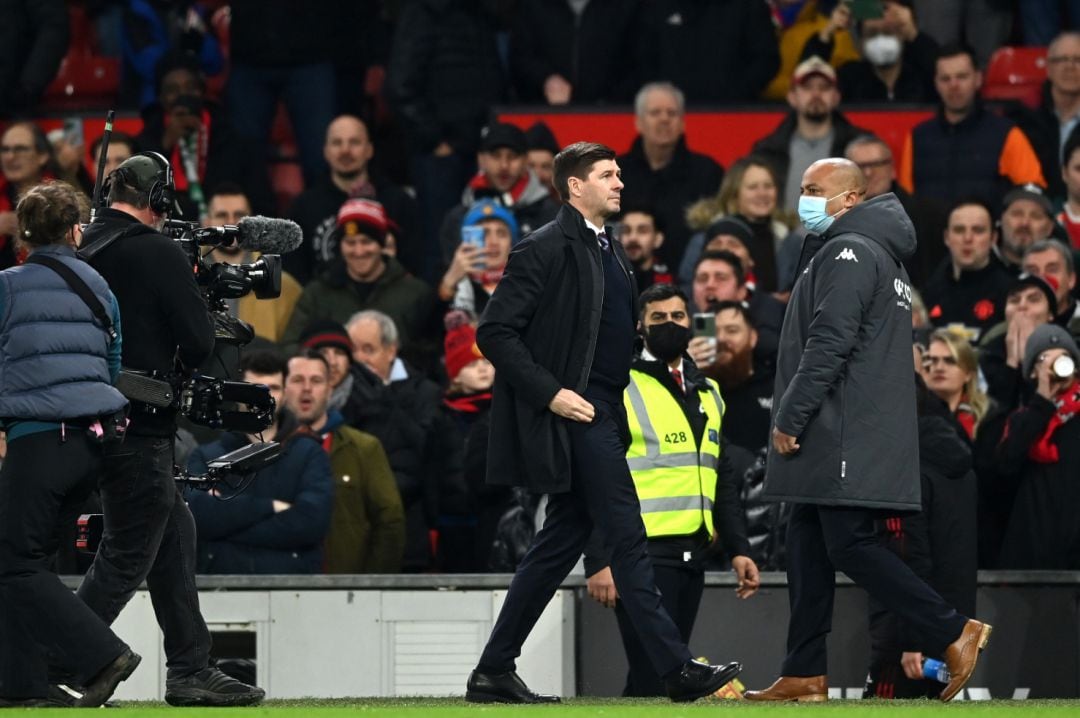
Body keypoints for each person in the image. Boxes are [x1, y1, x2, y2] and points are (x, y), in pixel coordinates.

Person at [465, 142, 741, 704]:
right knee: (626, 530)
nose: (620, 182)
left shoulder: (609, 249)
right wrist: (553, 394)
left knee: (558, 543)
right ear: (574, 187)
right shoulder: (543, 248)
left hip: (602, 407)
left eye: (619, 174)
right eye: (607, 175)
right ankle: (675, 668)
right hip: (581, 408)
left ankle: (493, 669)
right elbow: (493, 332)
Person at [746, 158, 990, 704]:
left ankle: (953, 631)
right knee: (805, 540)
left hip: (840, 428)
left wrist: (790, 414)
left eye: (815, 190)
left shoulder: (849, 250)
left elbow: (830, 342)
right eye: (803, 188)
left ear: (851, 198)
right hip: (848, 425)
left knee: (850, 545)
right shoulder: (874, 254)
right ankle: (804, 670)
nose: (804, 198)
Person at [76, 151, 264, 706]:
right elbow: (201, 341)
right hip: (141, 424)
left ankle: (190, 667)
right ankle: (59, 659)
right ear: (157, 199)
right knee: (128, 549)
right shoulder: (154, 250)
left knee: (173, 529)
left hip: (90, 419)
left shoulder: (83, 247)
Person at [0, 181, 140, 708]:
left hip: (38, 440)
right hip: (92, 445)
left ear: (24, 235)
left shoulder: (7, 286)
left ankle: (104, 655)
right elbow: (113, 364)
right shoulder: (100, 287)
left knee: (13, 563)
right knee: (27, 565)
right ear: (76, 230)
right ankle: (24, 685)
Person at [583, 283, 760, 697]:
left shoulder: (709, 391)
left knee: (662, 678)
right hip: (639, 551)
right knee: (654, 673)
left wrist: (738, 547)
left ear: (691, 322)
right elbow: (595, 476)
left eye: (678, 317)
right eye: (658, 318)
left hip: (693, 553)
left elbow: (721, 476)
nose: (669, 324)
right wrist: (597, 558)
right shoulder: (620, 387)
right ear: (639, 327)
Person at [186, 350, 334, 574]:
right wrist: (270, 507)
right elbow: (197, 518)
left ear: (285, 394)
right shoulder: (207, 457)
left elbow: (311, 523)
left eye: (273, 388)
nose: (264, 398)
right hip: (221, 590)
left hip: (294, 592)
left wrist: (225, 523)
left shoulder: (309, 454)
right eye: (252, 390)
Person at [282, 351, 405, 574]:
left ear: (330, 390)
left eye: (316, 380)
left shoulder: (364, 448)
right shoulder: (265, 450)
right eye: (298, 380)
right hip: (279, 588)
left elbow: (390, 521)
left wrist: (369, 585)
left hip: (347, 590)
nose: (307, 388)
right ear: (283, 389)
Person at [283, 198, 436, 364]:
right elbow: (290, 346)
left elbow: (430, 351)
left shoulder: (415, 293)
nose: (359, 251)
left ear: (382, 244)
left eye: (366, 242)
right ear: (340, 246)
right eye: (350, 243)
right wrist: (324, 363)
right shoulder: (317, 292)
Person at [898, 45, 1045, 209]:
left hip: (989, 233)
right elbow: (906, 201)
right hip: (930, 234)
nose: (953, 85)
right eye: (945, 79)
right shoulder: (918, 136)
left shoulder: (1006, 133)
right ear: (936, 84)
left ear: (978, 79)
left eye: (962, 76)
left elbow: (1032, 193)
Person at [286, 115, 418, 284]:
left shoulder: (399, 203)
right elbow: (294, 276)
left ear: (369, 150)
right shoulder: (303, 208)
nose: (345, 150)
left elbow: (414, 267)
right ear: (326, 151)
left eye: (354, 142)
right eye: (337, 143)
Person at [993, 324, 1080, 569]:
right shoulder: (1022, 419)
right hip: (1032, 550)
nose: (1055, 364)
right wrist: (1042, 403)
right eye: (1044, 357)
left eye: (1063, 356)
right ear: (1032, 372)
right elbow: (1005, 464)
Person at [617, 83, 724, 268]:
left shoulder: (707, 172)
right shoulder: (615, 172)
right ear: (638, 122)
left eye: (672, 113)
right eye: (655, 113)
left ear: (683, 123)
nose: (664, 119)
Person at [438, 123, 560, 275]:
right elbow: (445, 279)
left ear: (524, 161)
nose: (504, 165)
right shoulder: (458, 217)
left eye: (512, 156)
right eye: (496, 156)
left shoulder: (551, 217)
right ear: (481, 159)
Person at [752, 57, 872, 211]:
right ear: (792, 97)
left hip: (843, 234)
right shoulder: (768, 151)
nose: (816, 94)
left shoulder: (859, 148)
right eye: (807, 87)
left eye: (824, 87)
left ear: (836, 97)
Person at [844, 134, 948, 288]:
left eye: (876, 164)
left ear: (892, 170)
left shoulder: (928, 216)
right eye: (859, 166)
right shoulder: (836, 218)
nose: (868, 173)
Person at [202, 184, 302, 344]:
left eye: (239, 215)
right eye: (222, 215)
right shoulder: (186, 278)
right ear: (207, 222)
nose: (231, 222)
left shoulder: (284, 286)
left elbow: (293, 345)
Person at [683, 156, 798, 293]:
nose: (762, 193)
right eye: (752, 187)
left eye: (768, 186)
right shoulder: (706, 239)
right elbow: (687, 288)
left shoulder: (789, 242)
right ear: (734, 193)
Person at [801, 0, 939, 104]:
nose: (880, 39)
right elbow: (806, 78)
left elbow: (942, 71)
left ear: (903, 36)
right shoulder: (849, 78)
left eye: (888, 32)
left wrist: (913, 34)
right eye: (872, 33)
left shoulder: (922, 76)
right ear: (861, 42)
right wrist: (827, 33)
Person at [922, 200, 1014, 342]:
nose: (967, 238)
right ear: (946, 238)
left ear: (993, 238)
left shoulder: (1010, 293)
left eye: (978, 230)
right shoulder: (929, 293)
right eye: (959, 230)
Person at [438, 200, 519, 316]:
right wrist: (450, 282)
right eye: (484, 233)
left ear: (512, 244)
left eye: (501, 234)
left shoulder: (526, 284)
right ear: (467, 241)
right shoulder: (459, 288)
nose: (494, 242)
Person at [1, 122, 58, 269]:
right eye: (5, 150)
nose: (10, 157)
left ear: (43, 156)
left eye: (20, 149)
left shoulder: (61, 197)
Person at [996, 184, 1059, 273]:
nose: (1025, 223)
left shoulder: (1062, 272)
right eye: (1017, 214)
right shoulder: (977, 267)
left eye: (1036, 216)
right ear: (1001, 219)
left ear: (1050, 228)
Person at [617, 205, 673, 292]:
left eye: (642, 231)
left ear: (658, 239)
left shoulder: (670, 284)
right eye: (626, 231)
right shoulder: (603, 278)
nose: (632, 238)